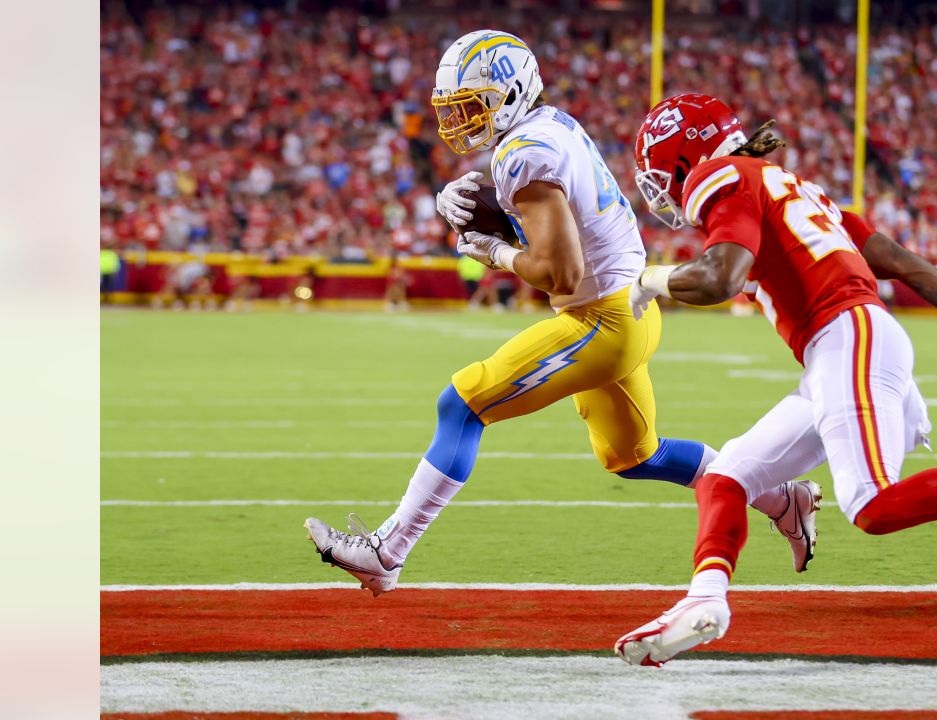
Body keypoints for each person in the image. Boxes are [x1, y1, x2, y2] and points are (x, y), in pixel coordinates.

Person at [614, 94, 937, 666]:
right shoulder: (788, 183)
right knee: (727, 474)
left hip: (847, 337)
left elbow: (719, 278)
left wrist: (650, 279)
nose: (659, 187)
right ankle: (704, 601)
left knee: (873, 505)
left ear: (686, 156)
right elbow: (895, 257)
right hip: (841, 347)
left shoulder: (726, 176)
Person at [305, 34, 817, 596]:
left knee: (462, 404)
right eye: (453, 108)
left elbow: (561, 272)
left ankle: (388, 551)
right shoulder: (551, 125)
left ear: (511, 92)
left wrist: (494, 250)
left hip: (601, 321)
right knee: (634, 456)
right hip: (631, 311)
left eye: (472, 104)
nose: (459, 120)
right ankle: (778, 497)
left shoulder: (523, 152)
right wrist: (486, 205)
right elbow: (555, 214)